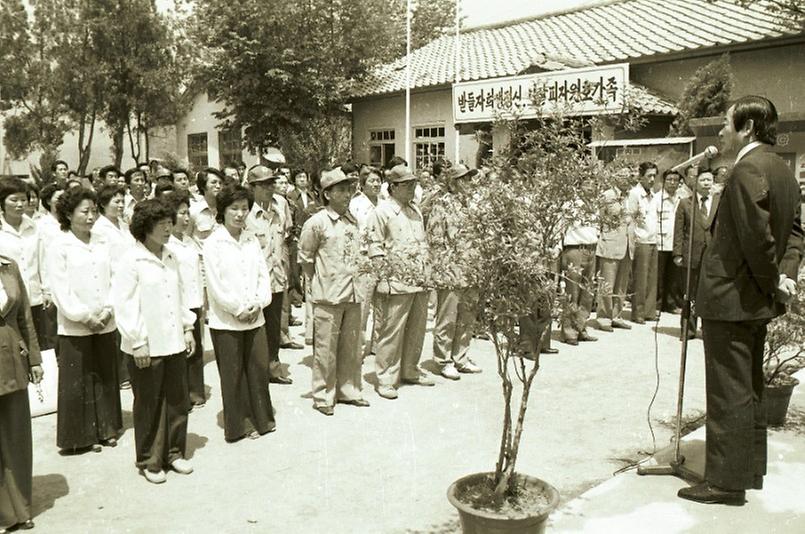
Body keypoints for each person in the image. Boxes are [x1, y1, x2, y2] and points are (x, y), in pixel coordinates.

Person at [678, 96, 804, 506]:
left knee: (728, 391)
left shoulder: (748, 168)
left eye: (726, 125)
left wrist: (773, 282)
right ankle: (745, 470)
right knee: (747, 389)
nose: (720, 132)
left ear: (747, 127)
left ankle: (725, 483)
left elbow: (755, 240)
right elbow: (796, 234)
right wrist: (785, 275)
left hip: (732, 300)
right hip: (753, 303)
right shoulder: (783, 168)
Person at [112, 199, 196, 484]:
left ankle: (173, 453)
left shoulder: (172, 256)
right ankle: (150, 459)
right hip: (146, 345)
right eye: (161, 224)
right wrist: (137, 341)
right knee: (149, 403)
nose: (167, 228)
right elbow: (124, 304)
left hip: (173, 342)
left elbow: (181, 295)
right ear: (145, 227)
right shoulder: (130, 260)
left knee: (176, 400)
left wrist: (187, 328)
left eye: (169, 223)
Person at [50, 187, 122, 453]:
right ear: (68, 214)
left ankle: (107, 429)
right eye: (84, 211)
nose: (91, 217)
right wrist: (83, 316)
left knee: (104, 375)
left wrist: (107, 310)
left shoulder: (103, 241)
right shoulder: (59, 245)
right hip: (75, 324)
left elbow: (117, 277)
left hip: (105, 319)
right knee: (78, 378)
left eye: (94, 211)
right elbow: (60, 287)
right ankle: (81, 436)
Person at [202, 185, 275, 441]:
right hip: (227, 322)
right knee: (233, 376)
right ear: (222, 211)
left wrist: (259, 302)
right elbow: (215, 284)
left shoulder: (251, 239)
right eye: (234, 208)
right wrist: (238, 308)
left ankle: (262, 419)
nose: (240, 214)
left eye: (244, 208)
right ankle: (240, 425)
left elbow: (262, 275)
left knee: (257, 369)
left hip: (256, 317)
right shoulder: (212, 243)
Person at [299, 167, 369, 415]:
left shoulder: (352, 220)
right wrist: (321, 282)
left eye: (349, 189)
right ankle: (323, 396)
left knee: (351, 346)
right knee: (325, 349)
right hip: (328, 295)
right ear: (327, 194)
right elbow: (306, 259)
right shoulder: (316, 223)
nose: (347, 194)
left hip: (353, 292)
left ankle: (348, 390)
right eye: (340, 190)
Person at [366, 164, 434, 399]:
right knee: (392, 331)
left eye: (413, 184)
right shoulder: (381, 212)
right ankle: (386, 377)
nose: (412, 188)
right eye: (406, 185)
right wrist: (383, 279)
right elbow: (374, 247)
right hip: (395, 281)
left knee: (417, 329)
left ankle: (410, 369)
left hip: (419, 279)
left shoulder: (415, 210)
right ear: (393, 187)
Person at [0, 255, 43, 532]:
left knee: (16, 437)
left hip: (12, 358)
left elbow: (24, 315)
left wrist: (35, 358)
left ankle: (21, 508)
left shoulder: (8, 265)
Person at [427, 164, 483, 378]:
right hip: (451, 271)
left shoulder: (471, 205)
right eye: (464, 179)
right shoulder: (441, 205)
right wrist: (441, 270)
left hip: (471, 269)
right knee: (447, 318)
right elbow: (436, 240)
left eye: (469, 179)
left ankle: (461, 357)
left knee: (467, 318)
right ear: (453, 182)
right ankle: (443, 360)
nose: (468, 183)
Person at [245, 166, 293, 385]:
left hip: (276, 278)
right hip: (254, 282)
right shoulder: (245, 214)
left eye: (271, 183)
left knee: (273, 329)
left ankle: (273, 368)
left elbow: (283, 243)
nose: (269, 188)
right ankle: (255, 371)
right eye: (263, 184)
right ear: (252, 187)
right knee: (254, 330)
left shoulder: (279, 209)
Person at [165, 191, 206, 408]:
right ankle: (181, 396)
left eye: (188, 213)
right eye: (182, 213)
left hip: (194, 300)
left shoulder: (190, 241)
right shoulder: (166, 244)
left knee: (195, 347)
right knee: (179, 350)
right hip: (176, 304)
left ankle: (196, 391)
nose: (187, 218)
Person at [0, 179, 48, 349]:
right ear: (2, 203)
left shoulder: (35, 228)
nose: (20, 204)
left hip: (35, 299)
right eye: (14, 200)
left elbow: (43, 262)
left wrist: (46, 291)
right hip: (8, 303)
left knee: (40, 348)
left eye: (23, 199)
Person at [673, 171, 718, 339]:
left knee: (709, 295)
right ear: (695, 182)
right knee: (690, 295)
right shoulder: (685, 203)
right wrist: (677, 254)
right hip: (691, 256)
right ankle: (688, 330)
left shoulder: (718, 202)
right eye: (703, 180)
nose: (707, 183)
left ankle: (708, 330)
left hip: (712, 257)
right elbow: (678, 231)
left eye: (709, 180)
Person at [350, 166, 382, 357]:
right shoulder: (356, 205)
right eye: (372, 181)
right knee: (363, 307)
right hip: (364, 257)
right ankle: (358, 349)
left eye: (378, 180)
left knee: (382, 306)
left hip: (384, 258)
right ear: (362, 185)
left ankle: (378, 345)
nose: (376, 184)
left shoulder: (384, 203)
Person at [596, 182, 633, 332]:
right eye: (623, 174)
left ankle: (616, 316)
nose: (627, 178)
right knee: (607, 284)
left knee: (622, 284)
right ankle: (604, 317)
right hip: (610, 244)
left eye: (630, 175)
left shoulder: (632, 195)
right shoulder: (607, 195)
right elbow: (599, 218)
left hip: (627, 244)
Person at [626, 162, 659, 324]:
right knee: (641, 279)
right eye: (649, 176)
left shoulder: (653, 195)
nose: (652, 179)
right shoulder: (634, 194)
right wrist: (632, 243)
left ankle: (649, 311)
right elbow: (630, 219)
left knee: (652, 278)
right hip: (641, 240)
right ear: (641, 177)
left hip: (653, 240)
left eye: (654, 176)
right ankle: (638, 313)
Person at [655, 170, 683, 314]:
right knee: (659, 276)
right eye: (669, 180)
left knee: (673, 276)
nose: (672, 183)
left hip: (675, 243)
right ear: (663, 182)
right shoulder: (656, 199)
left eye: (675, 180)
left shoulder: (681, 199)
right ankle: (658, 305)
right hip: (660, 242)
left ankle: (671, 304)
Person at [188, 168, 224, 247]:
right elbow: (186, 238)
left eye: (220, 183)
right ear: (203, 186)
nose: (218, 186)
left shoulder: (226, 210)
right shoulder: (193, 211)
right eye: (213, 182)